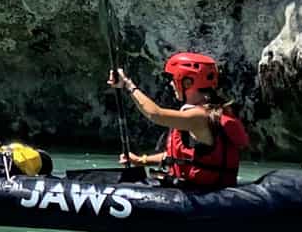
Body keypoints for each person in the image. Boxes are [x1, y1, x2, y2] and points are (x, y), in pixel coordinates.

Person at [106, 52, 251, 191]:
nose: (171, 83)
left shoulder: (200, 117)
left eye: (174, 79)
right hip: (202, 190)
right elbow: (181, 157)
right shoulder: (211, 111)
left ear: (187, 82)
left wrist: (128, 85)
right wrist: (141, 161)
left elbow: (156, 114)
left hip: (202, 194)